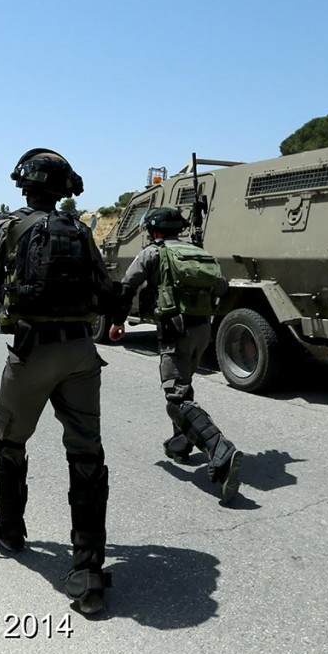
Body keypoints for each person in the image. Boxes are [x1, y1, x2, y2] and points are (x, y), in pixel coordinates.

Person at [0, 148, 117, 615]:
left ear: (24, 185)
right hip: (82, 355)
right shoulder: (81, 231)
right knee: (87, 451)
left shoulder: (8, 228)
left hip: (32, 355)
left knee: (9, 438)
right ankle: (88, 568)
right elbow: (107, 291)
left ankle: (10, 528)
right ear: (64, 187)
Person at [108, 207, 242, 504]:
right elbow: (222, 286)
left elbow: (127, 287)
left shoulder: (152, 253)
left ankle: (219, 450)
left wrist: (118, 323)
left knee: (176, 398)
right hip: (202, 330)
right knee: (184, 385)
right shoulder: (199, 253)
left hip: (174, 330)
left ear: (155, 230)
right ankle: (181, 443)